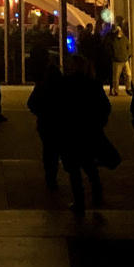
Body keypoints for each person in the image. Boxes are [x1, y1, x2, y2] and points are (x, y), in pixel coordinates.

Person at [59, 53, 111, 215]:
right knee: (89, 166)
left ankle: (80, 201)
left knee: (74, 170)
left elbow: (61, 107)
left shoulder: (67, 84)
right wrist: (99, 123)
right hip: (88, 131)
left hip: (73, 132)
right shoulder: (93, 84)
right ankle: (97, 195)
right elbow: (104, 107)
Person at [27, 62, 68, 191]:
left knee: (49, 151)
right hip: (61, 124)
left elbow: (31, 103)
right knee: (58, 150)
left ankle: (50, 176)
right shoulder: (64, 88)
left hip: (46, 124)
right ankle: (58, 173)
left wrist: (40, 113)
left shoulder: (42, 86)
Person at [109, 24, 133, 95]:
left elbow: (129, 47)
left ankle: (128, 88)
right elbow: (110, 49)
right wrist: (114, 56)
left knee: (128, 75)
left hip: (124, 60)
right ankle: (116, 91)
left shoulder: (124, 39)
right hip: (117, 61)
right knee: (116, 77)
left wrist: (128, 55)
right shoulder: (113, 40)